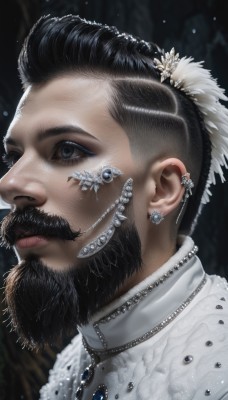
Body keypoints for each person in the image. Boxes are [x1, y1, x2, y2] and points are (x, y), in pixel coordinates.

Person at [0, 14, 228, 400]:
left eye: (67, 150)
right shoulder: (72, 363)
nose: (10, 186)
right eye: (13, 157)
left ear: (161, 189)